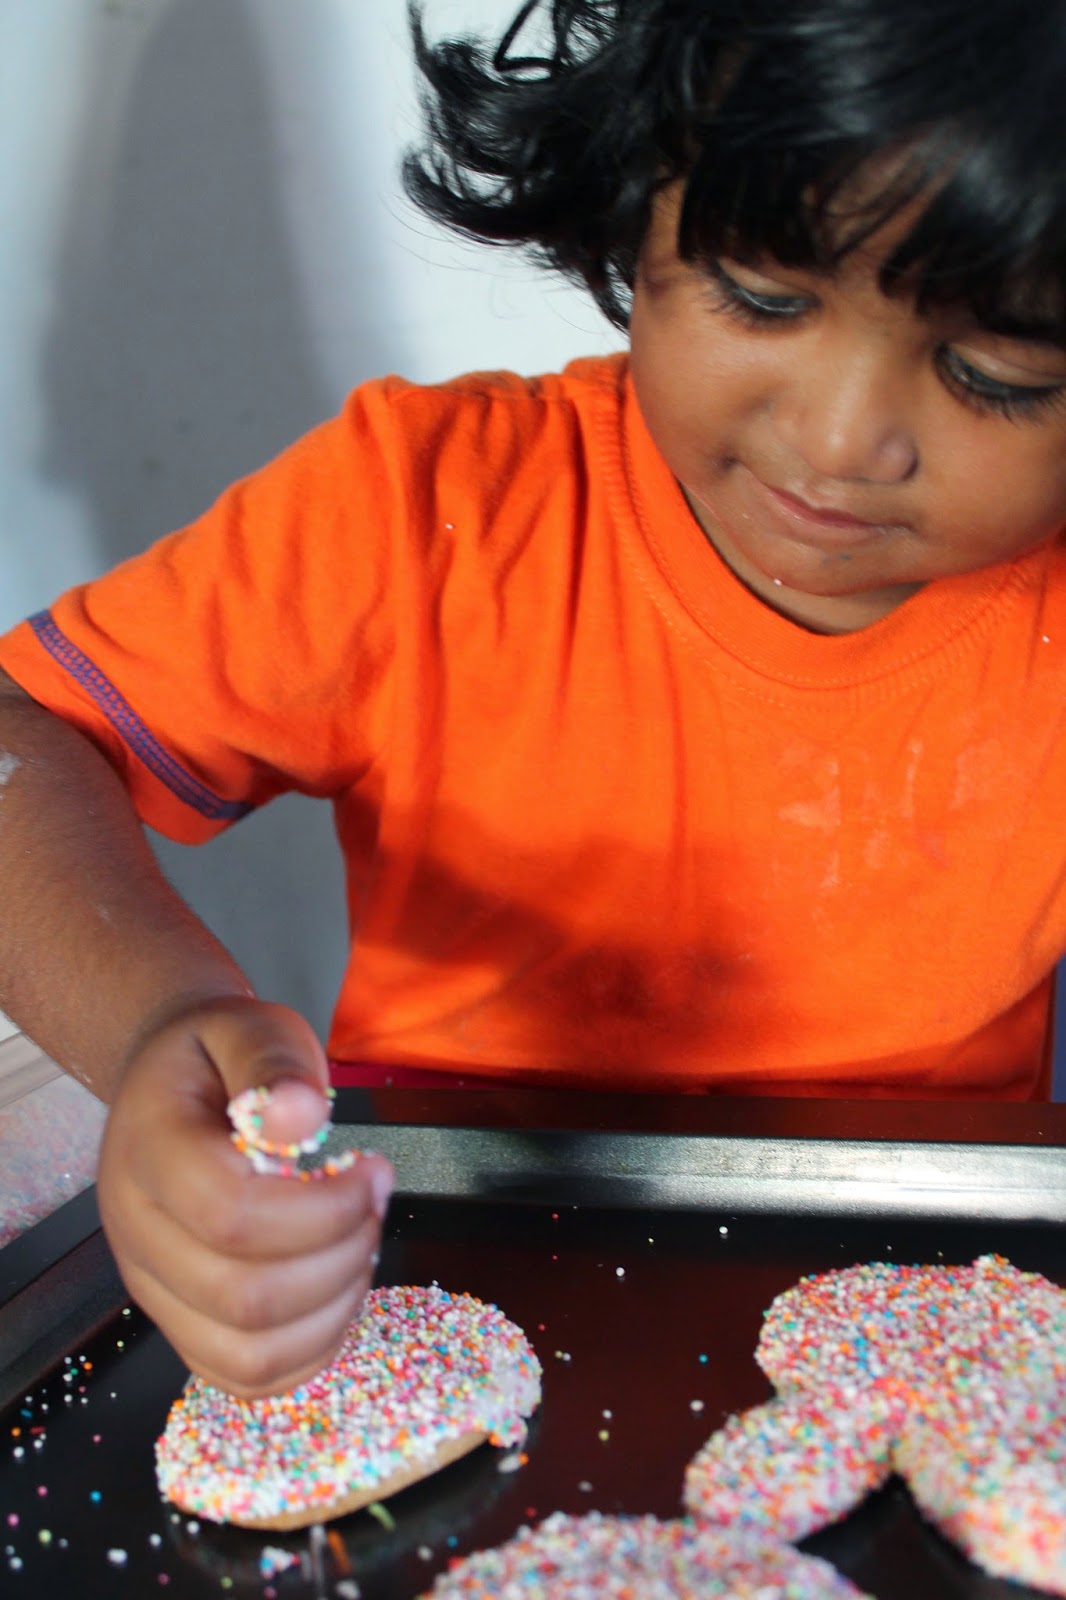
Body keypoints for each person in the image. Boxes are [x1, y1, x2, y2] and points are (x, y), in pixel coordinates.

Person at [3, 0, 1066, 1394]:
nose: (839, 438)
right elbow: (27, 739)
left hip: (940, 1301)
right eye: (762, 297)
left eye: (993, 375)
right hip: (412, 1271)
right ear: (638, 198)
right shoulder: (425, 515)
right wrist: (157, 1029)